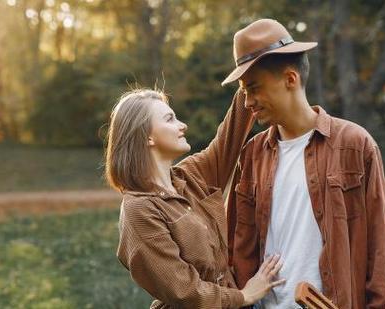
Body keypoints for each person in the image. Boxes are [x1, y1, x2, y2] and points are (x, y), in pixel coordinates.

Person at [222, 19, 385, 308]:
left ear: (290, 79)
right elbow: (234, 250)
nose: (247, 103)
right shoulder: (252, 154)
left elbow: (380, 252)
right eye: (244, 92)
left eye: (253, 88)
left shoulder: (354, 144)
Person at [105, 88, 286, 308]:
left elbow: (231, 135)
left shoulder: (190, 176)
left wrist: (249, 77)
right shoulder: (140, 209)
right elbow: (185, 291)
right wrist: (244, 295)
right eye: (170, 119)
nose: (183, 125)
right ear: (147, 136)